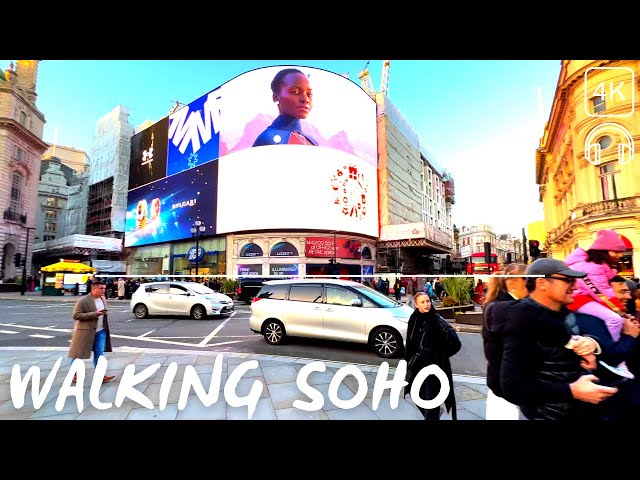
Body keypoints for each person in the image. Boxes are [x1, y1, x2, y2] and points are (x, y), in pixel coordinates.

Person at [497, 258, 618, 420]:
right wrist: (572, 391)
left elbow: (602, 345)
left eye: (574, 280)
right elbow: (512, 387)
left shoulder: (565, 313)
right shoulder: (522, 320)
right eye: (567, 280)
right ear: (542, 284)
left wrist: (591, 343)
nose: (575, 286)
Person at [564, 229, 633, 377]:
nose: (619, 255)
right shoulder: (593, 267)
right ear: (604, 251)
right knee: (614, 319)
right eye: (616, 251)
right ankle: (615, 358)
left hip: (584, 297)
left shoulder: (600, 265)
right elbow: (602, 294)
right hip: (580, 299)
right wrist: (620, 311)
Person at [404, 292, 462, 420]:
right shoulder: (414, 319)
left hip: (434, 366)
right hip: (418, 365)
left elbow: (456, 344)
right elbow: (410, 342)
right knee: (416, 395)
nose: (426, 304)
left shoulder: (437, 320)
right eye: (423, 302)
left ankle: (432, 416)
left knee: (431, 401)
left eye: (428, 301)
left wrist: (441, 354)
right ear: (416, 305)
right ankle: (433, 415)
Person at [481, 263, 527, 420]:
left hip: (510, 383)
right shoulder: (501, 308)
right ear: (511, 283)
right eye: (526, 279)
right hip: (503, 387)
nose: (530, 284)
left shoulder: (506, 304)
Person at [253, 68, 318, 147]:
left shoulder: (312, 142)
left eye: (309, 94)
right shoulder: (266, 140)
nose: (305, 99)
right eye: (295, 92)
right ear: (276, 97)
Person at [68, 280, 116, 383]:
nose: (104, 290)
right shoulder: (83, 301)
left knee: (99, 353)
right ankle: (73, 374)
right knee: (78, 354)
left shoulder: (103, 299)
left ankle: (101, 375)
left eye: (104, 288)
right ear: (94, 289)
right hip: (85, 331)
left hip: (101, 331)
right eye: (101, 288)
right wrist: (94, 314)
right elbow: (76, 315)